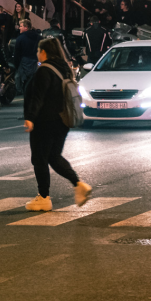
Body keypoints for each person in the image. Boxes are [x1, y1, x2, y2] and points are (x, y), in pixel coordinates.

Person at [23, 37, 92, 212]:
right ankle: (78, 184)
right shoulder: (64, 68)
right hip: (62, 121)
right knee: (53, 156)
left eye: (39, 51)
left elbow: (38, 96)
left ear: (44, 52)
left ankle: (44, 198)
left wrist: (30, 117)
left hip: (44, 121)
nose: (37, 54)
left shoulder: (44, 71)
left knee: (39, 158)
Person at [12, 18, 42, 95]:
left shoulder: (20, 38)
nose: (19, 28)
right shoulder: (39, 37)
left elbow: (17, 53)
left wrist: (17, 65)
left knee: (19, 78)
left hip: (24, 63)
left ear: (26, 27)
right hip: (36, 62)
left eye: (21, 26)